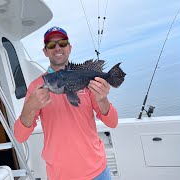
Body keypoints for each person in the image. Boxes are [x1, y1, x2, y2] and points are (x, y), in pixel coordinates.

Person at [14, 26, 118, 180]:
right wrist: (30, 106)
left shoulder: (88, 81)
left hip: (97, 171)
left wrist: (102, 98)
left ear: (69, 48)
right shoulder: (37, 86)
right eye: (51, 45)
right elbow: (20, 137)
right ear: (45, 51)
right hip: (60, 175)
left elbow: (112, 122)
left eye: (62, 43)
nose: (57, 48)